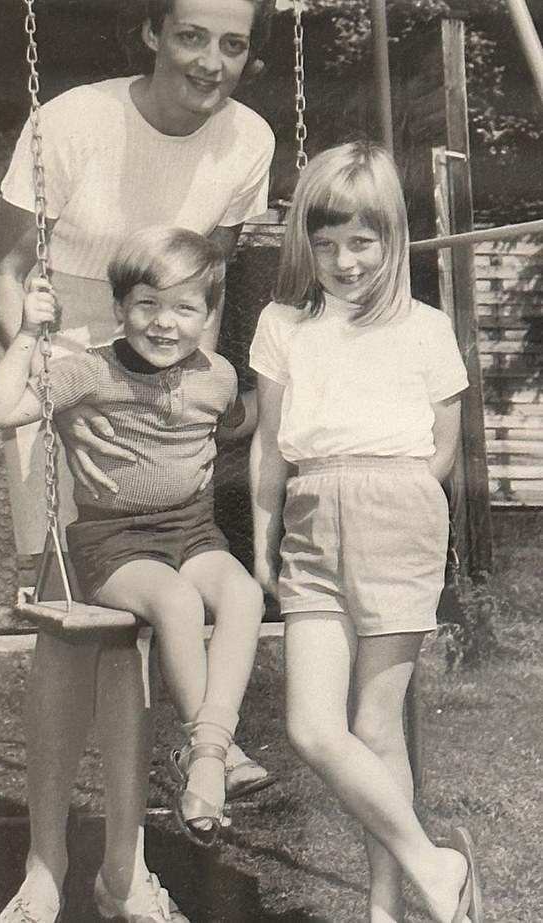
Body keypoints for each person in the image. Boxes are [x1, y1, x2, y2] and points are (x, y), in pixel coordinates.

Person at [0, 2, 276, 921]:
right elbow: (3, 271)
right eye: (192, 36)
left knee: (149, 626)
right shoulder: (70, 122)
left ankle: (123, 868)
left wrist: (184, 395)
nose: (211, 62)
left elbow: (209, 284)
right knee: (76, 636)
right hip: (64, 372)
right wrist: (58, 388)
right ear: (151, 34)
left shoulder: (250, 142)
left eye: (233, 44)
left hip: (159, 388)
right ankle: (43, 865)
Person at [249, 142, 483, 923]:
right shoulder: (283, 324)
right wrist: (262, 542)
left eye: (361, 242)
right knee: (313, 725)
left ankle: (386, 906)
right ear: (304, 245)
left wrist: (402, 496)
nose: (344, 261)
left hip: (396, 509)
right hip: (311, 517)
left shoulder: (425, 326)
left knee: (376, 723)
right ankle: (435, 863)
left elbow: (443, 446)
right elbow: (268, 443)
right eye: (325, 244)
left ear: (392, 239)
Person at [0, 226, 264, 851]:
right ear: (119, 308)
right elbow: (0, 411)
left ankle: (208, 750)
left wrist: (294, 367)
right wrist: (28, 334)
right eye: (147, 305)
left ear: (209, 315)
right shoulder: (86, 372)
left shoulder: (216, 376)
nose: (165, 324)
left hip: (193, 530)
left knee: (244, 594)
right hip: (115, 544)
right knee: (177, 603)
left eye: (185, 308)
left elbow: (245, 416)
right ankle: (211, 755)